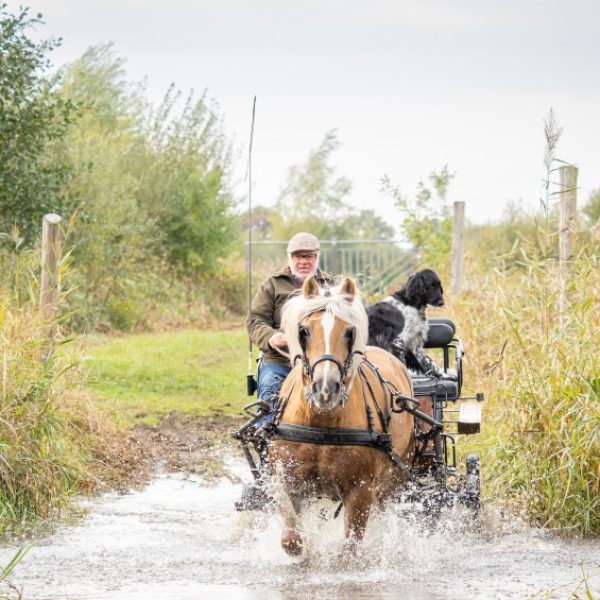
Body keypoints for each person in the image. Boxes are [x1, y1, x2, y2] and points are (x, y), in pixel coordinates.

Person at [247, 232, 331, 425]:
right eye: (298, 256)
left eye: (309, 256)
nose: (303, 261)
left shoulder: (331, 286)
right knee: (269, 392)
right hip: (280, 360)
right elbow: (255, 320)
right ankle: (267, 441)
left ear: (317, 257)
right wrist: (271, 336)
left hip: (323, 362)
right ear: (290, 258)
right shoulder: (272, 285)